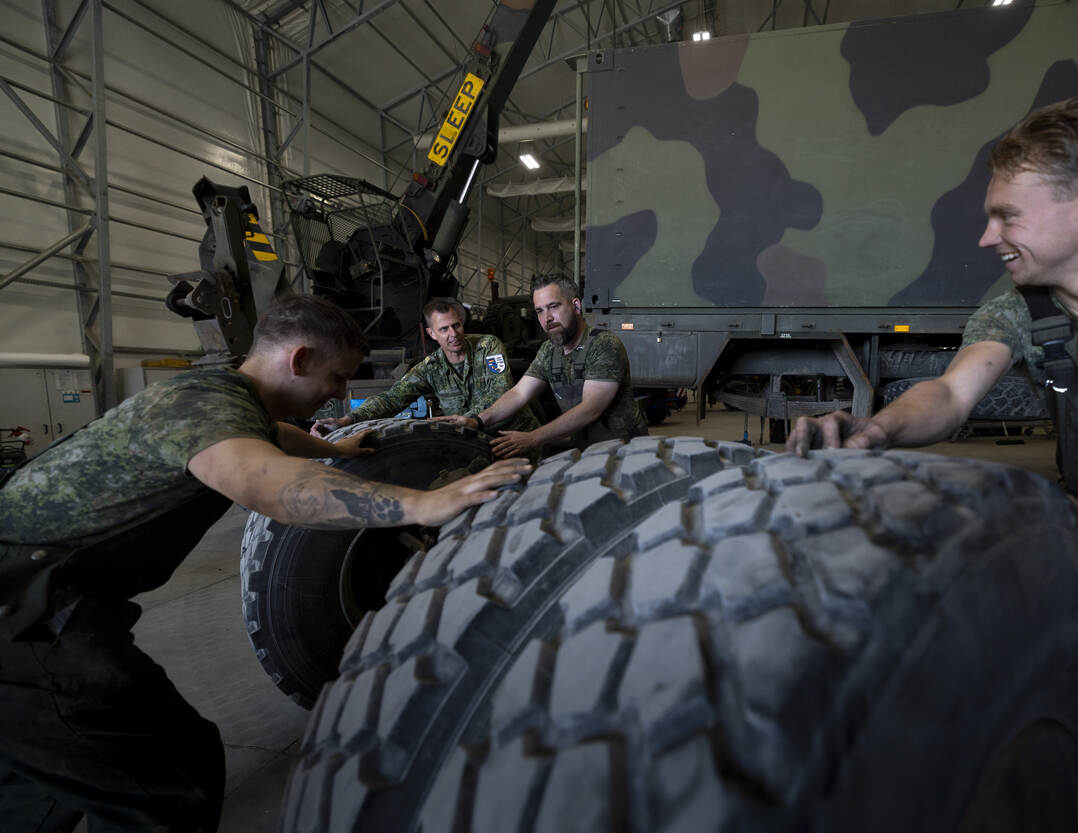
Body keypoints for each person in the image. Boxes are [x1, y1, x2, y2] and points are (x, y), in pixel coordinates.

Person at [788, 93, 1078, 831]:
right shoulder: (1023, 301)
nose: (985, 237)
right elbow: (948, 393)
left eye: (1007, 215)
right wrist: (874, 431)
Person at [0, 294, 528, 832]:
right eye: (337, 377)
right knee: (167, 783)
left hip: (44, 596)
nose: (339, 393)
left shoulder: (217, 397)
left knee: (52, 776)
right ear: (298, 361)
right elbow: (269, 485)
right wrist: (424, 503)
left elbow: (274, 438)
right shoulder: (209, 409)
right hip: (25, 613)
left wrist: (340, 452)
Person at [439, 275, 648, 458]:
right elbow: (520, 393)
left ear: (576, 306)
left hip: (626, 450)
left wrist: (533, 438)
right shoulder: (549, 350)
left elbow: (590, 409)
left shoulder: (603, 344)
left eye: (553, 307)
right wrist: (477, 420)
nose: (546, 318)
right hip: (588, 450)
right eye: (539, 311)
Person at [311, 297, 539, 436]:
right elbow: (392, 399)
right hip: (478, 442)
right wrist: (348, 420)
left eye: (456, 325)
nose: (453, 334)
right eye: (444, 329)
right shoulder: (431, 367)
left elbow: (500, 390)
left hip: (517, 434)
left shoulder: (487, 345)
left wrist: (467, 419)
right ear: (431, 333)